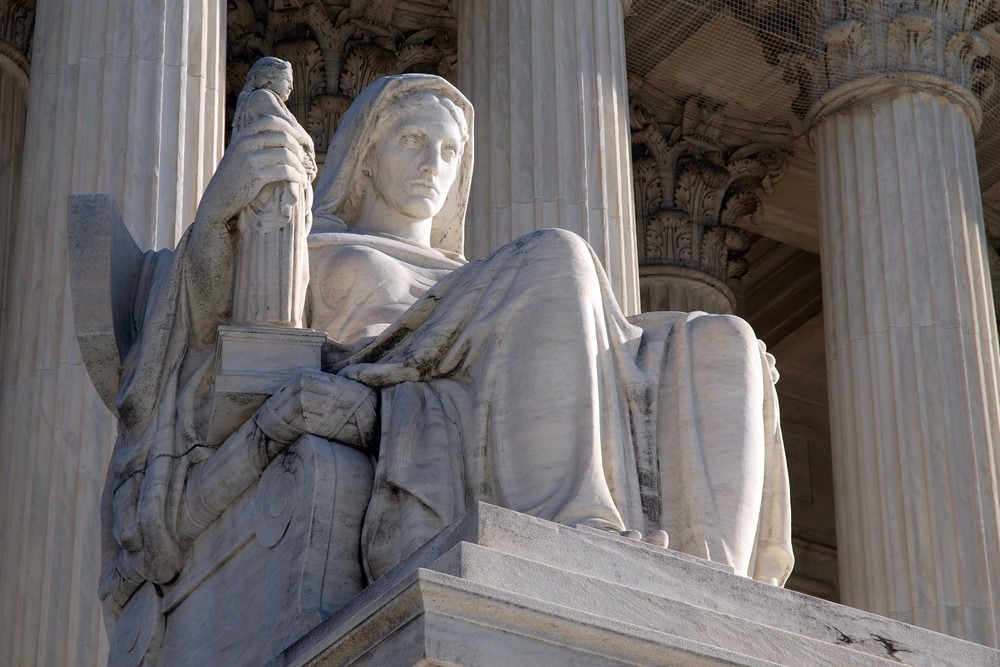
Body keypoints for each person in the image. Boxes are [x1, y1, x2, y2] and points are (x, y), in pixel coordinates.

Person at [100, 73, 793, 623]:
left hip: (473, 372)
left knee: (721, 339)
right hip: (399, 378)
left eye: (451, 149)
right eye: (411, 140)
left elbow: (593, 335)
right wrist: (228, 204)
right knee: (559, 254)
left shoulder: (481, 281)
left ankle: (712, 595)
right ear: (366, 154)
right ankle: (575, 527)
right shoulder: (311, 243)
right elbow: (197, 337)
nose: (434, 162)